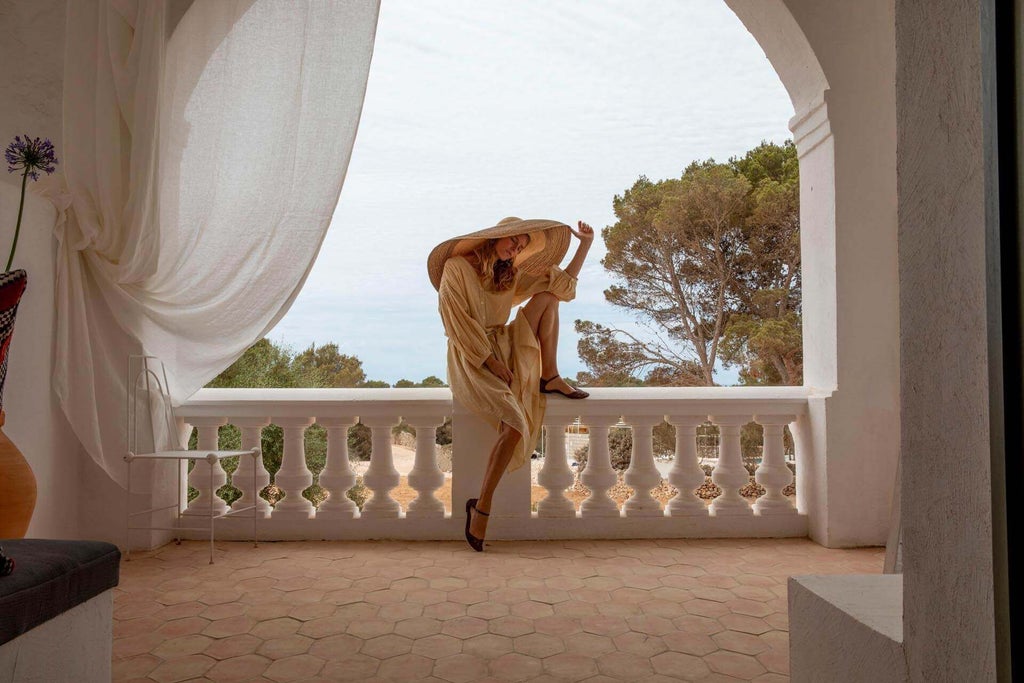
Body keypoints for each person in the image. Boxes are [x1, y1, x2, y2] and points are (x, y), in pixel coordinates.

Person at [427, 216, 594, 552]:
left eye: (520, 247)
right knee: (515, 422)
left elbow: (562, 285)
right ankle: (482, 507)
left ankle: (550, 375)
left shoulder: (509, 273)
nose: (515, 250)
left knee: (548, 297)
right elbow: (455, 320)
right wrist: (491, 362)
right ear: (497, 237)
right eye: (513, 243)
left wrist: (585, 245)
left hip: (503, 344)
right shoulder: (456, 267)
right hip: (472, 354)